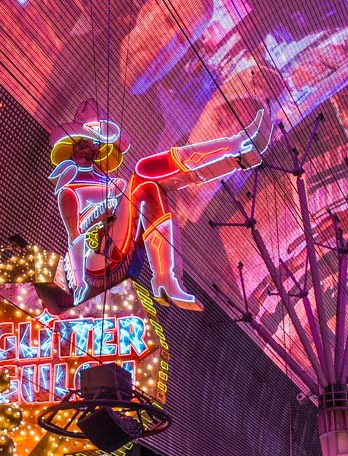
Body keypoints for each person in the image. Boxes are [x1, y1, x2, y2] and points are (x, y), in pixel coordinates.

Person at [48, 106, 271, 311]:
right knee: (143, 170)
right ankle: (236, 148)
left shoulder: (106, 181)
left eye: (94, 144)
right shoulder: (70, 190)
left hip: (119, 245)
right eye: (83, 144)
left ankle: (166, 279)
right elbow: (75, 238)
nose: (90, 150)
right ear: (70, 148)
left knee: (149, 187)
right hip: (97, 259)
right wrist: (80, 289)